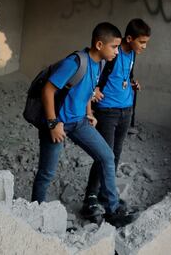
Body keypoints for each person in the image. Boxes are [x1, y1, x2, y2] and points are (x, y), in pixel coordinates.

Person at [30, 22, 136, 227]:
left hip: (79, 123)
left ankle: (112, 209)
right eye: (114, 47)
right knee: (47, 173)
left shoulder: (102, 63)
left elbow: (90, 87)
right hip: (57, 124)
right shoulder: (76, 62)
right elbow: (48, 91)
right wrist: (53, 123)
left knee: (107, 156)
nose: (117, 51)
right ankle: (36, 213)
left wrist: (89, 112)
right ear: (99, 44)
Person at [81, 18, 151, 219]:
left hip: (125, 111)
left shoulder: (132, 55)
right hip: (107, 111)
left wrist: (132, 83)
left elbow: (125, 76)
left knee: (115, 155)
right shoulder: (112, 52)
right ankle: (91, 198)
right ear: (129, 39)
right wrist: (94, 89)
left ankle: (106, 195)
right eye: (142, 42)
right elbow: (94, 66)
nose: (144, 47)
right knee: (104, 155)